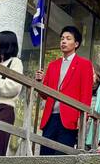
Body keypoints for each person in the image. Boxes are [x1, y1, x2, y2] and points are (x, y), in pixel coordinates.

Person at [34, 26, 92, 155]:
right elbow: (45, 95)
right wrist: (39, 82)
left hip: (69, 119)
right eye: (62, 39)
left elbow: (86, 94)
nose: (63, 41)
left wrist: (82, 119)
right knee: (45, 156)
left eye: (68, 38)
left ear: (76, 44)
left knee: (62, 159)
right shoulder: (53, 65)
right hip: (50, 118)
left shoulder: (84, 64)